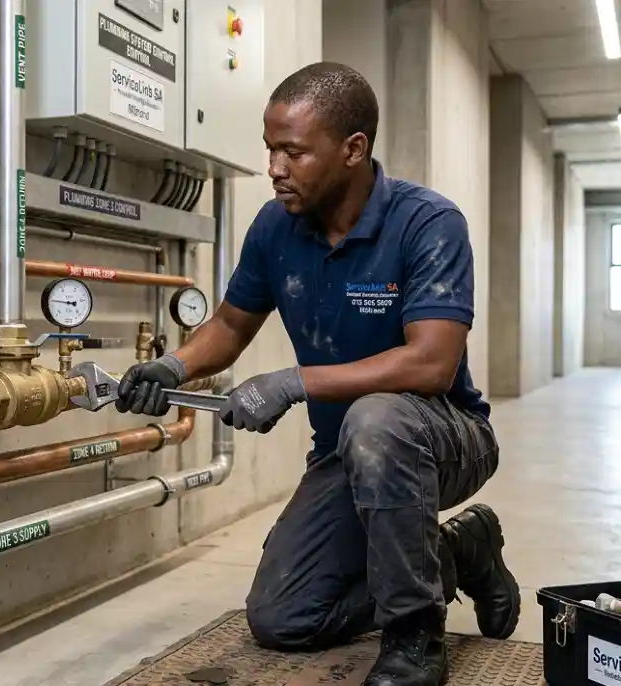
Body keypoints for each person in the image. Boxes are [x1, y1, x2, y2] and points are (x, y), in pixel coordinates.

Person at [114, 62, 518, 686]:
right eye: (270, 148)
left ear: (353, 149)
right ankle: (454, 552)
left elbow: (433, 363)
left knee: (377, 417)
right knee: (283, 619)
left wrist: (293, 382)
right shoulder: (277, 227)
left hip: (444, 437)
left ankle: (414, 637)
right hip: (344, 454)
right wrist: (174, 365)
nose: (275, 167)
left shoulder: (427, 224)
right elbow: (228, 323)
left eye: (292, 151)